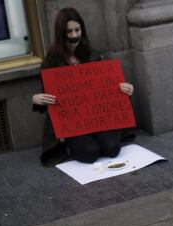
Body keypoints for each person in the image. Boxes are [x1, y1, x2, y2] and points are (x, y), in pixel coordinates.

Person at [32, 8, 135, 165]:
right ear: (61, 34)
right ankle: (70, 145)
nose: (74, 35)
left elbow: (107, 89)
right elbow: (47, 98)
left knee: (112, 148)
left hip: (97, 119)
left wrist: (123, 89)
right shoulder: (52, 62)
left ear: (82, 30)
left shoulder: (92, 55)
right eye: (69, 32)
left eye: (77, 30)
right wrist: (37, 99)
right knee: (90, 153)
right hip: (73, 125)